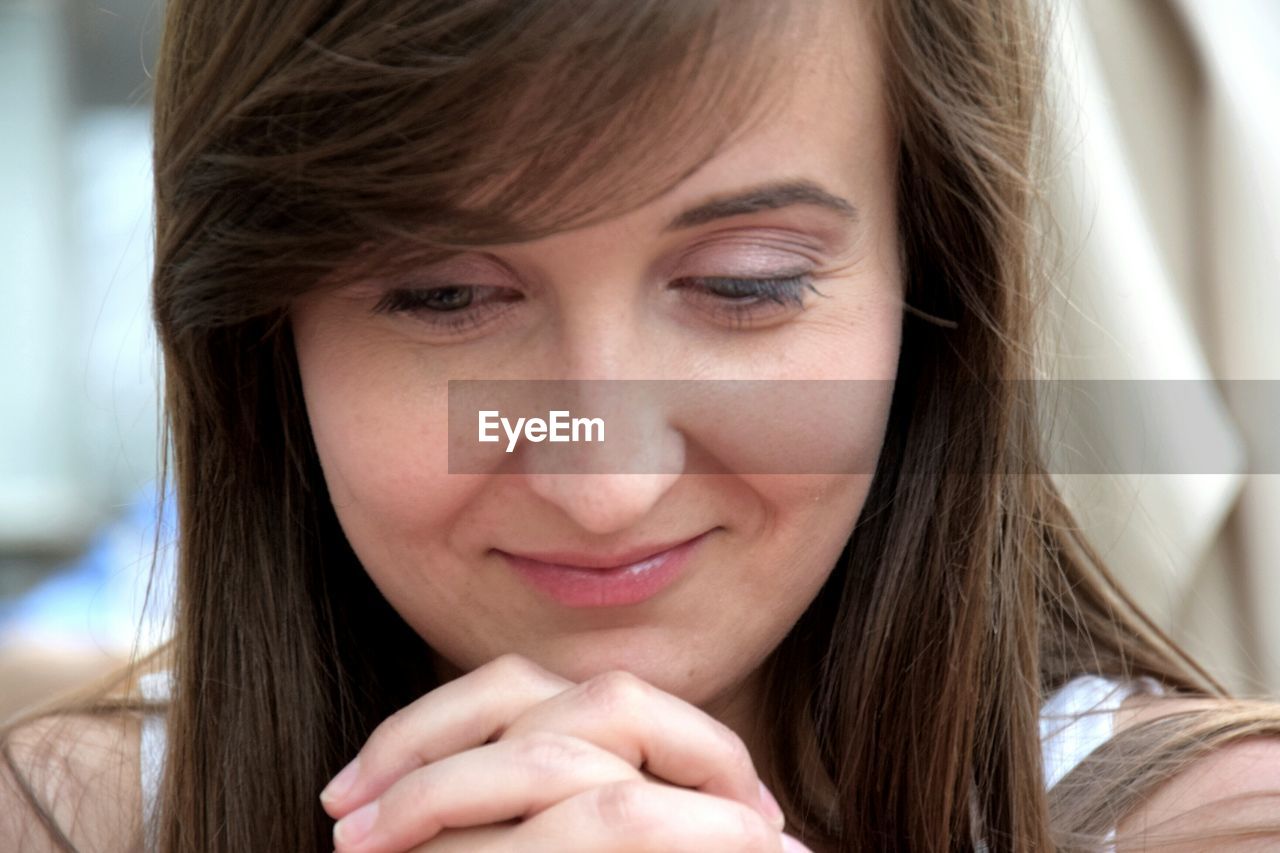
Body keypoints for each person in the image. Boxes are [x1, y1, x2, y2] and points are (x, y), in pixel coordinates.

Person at [3, 0, 1280, 850]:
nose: (604, 482)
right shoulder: (57, 818)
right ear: (262, 342)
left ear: (930, 291)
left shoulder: (1213, 825)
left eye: (745, 286)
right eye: (446, 297)